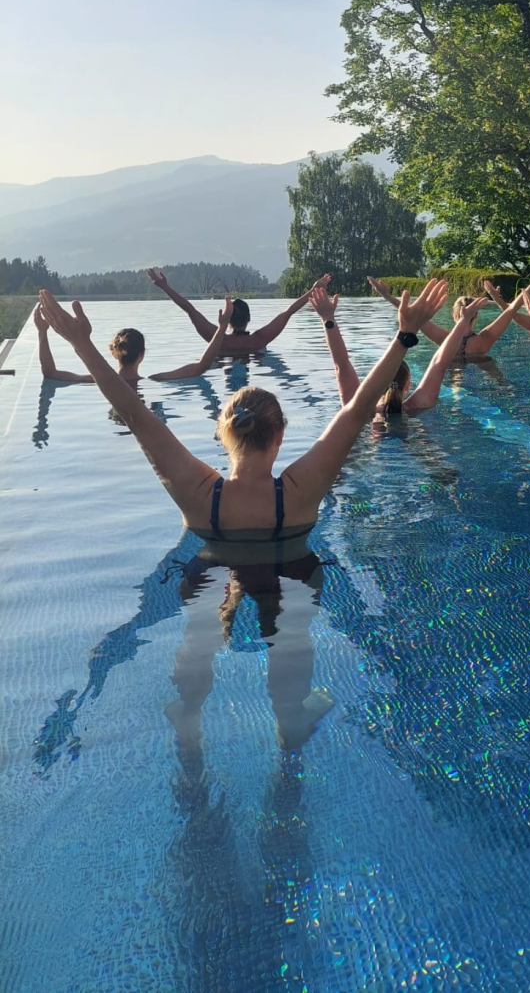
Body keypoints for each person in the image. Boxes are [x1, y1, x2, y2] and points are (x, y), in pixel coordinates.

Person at [37, 281, 448, 752]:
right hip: (290, 570)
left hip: (209, 566)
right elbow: (356, 412)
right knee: (290, 634)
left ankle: (188, 717)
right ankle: (289, 719)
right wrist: (404, 336)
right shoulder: (299, 491)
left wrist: (81, 343)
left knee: (198, 635)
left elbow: (130, 408)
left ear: (222, 434)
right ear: (279, 437)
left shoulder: (197, 492)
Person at [310, 283, 487, 417]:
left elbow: (341, 364)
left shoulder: (359, 409)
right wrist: (464, 320)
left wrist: (328, 318)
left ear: (373, 382)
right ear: (408, 385)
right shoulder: (420, 404)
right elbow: (439, 363)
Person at [35, 298, 233, 384]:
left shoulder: (96, 380)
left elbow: (50, 373)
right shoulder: (155, 381)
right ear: (142, 355)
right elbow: (201, 367)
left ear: (113, 352)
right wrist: (222, 326)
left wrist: (42, 333)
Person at [146, 267, 330, 356]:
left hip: (220, 363)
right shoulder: (259, 339)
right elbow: (289, 311)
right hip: (257, 359)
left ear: (228, 318)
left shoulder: (219, 341)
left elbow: (189, 309)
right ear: (249, 318)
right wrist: (314, 288)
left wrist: (164, 287)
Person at [368, 273, 526, 359]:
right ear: (475, 315)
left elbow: (412, 316)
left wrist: (387, 296)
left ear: (454, 314)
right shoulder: (485, 340)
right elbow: (511, 310)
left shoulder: (444, 339)